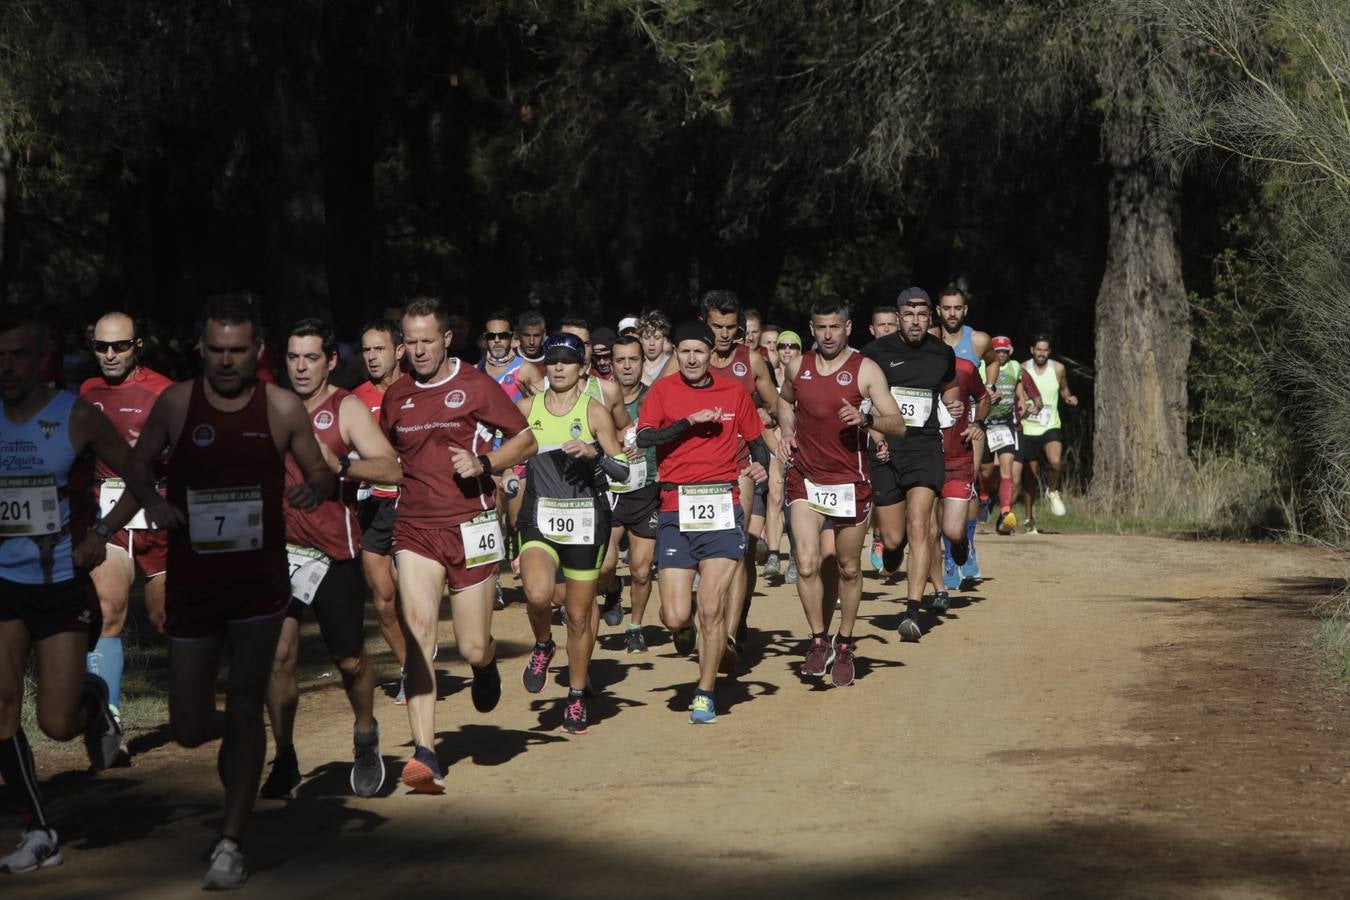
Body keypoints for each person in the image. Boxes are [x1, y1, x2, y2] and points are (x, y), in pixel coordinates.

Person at [99, 294, 333, 888]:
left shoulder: (280, 407)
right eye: (215, 350)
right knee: (188, 724)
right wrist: (130, 514)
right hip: (194, 582)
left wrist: (315, 489)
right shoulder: (177, 403)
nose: (225, 361)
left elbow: (322, 469)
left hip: (258, 583)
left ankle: (231, 839)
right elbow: (138, 467)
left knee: (249, 693)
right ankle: (249, 736)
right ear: (201, 349)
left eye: (237, 351)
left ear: (256, 351)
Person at [0, 306, 168, 875]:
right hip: (4, 582)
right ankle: (39, 829)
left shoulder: (76, 415)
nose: (7, 367)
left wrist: (100, 532)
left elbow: (140, 478)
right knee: (1, 708)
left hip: (60, 585)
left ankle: (93, 699)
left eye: (19, 354)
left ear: (42, 357)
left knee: (56, 722)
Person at [382, 296, 537, 794]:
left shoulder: (474, 384)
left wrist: (486, 464)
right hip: (415, 529)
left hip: (470, 526)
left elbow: (525, 439)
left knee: (470, 644)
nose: (419, 349)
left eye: (428, 339)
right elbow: (384, 455)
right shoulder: (397, 395)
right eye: (411, 341)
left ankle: (485, 665)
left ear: (447, 338)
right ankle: (426, 752)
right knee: (420, 632)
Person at [259, 319, 403, 800]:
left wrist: (340, 463)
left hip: (334, 555)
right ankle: (285, 756)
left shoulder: (347, 408)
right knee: (278, 657)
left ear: (331, 361)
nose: (301, 367)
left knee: (350, 661)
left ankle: (365, 735)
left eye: (311, 358)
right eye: (294, 358)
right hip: (279, 553)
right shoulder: (270, 407)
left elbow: (392, 468)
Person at [638, 320, 769, 723]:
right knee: (676, 615)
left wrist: (761, 467)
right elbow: (644, 438)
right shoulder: (663, 391)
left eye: (700, 351)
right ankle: (683, 632)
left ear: (712, 354)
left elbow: (757, 441)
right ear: (675, 353)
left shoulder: (733, 392)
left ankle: (705, 691)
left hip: (722, 507)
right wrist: (687, 423)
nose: (692, 358)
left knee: (711, 607)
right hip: (676, 508)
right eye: (685, 351)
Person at [775, 298, 905, 687]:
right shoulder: (798, 366)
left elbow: (897, 424)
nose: (828, 335)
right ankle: (818, 639)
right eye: (820, 327)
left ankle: (845, 642)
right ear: (811, 329)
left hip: (850, 481)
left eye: (835, 327)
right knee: (807, 561)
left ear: (848, 328)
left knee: (849, 567)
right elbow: (785, 400)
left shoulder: (865, 370)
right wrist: (786, 433)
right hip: (806, 478)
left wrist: (866, 419)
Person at [516, 334, 628, 734]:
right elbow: (507, 457)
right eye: (552, 361)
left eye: (567, 361)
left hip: (585, 521)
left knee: (579, 616)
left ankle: (577, 696)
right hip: (539, 517)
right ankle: (544, 643)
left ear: (583, 368)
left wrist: (595, 454)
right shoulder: (526, 409)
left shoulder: (594, 411)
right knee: (538, 593)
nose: (559, 367)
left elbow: (624, 471)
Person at [659, 292, 778, 669]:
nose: (725, 335)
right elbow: (656, 407)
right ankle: (695, 616)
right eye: (717, 327)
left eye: (731, 328)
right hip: (689, 474)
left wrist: (775, 426)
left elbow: (775, 403)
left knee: (740, 547)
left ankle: (729, 628)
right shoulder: (681, 362)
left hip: (738, 463)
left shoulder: (751, 360)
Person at [78, 313, 174, 763]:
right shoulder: (85, 393)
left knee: (166, 621)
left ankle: (198, 698)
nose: (110, 355)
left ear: (138, 344)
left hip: (157, 520)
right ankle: (108, 725)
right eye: (101, 347)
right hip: (110, 519)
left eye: (119, 346)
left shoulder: (165, 391)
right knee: (109, 612)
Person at [861, 288, 962, 641]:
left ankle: (912, 610)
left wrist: (954, 405)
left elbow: (949, 387)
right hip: (887, 449)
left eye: (921, 315)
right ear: (899, 317)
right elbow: (862, 404)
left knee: (920, 524)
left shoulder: (942, 354)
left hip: (924, 449)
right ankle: (891, 556)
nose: (915, 321)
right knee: (893, 538)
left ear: (929, 317)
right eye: (908, 314)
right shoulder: (874, 354)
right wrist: (877, 438)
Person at [352, 319, 408, 702]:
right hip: (372, 507)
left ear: (399, 351)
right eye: (366, 350)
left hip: (414, 507)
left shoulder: (417, 391)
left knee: (412, 593)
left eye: (379, 349)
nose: (372, 357)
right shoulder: (354, 400)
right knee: (383, 602)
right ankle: (413, 669)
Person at [598, 334, 660, 653]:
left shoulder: (656, 398)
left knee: (641, 568)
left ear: (642, 362)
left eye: (633, 359)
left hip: (647, 490)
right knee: (605, 565)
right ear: (611, 362)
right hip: (609, 492)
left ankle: (635, 626)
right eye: (620, 359)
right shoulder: (598, 398)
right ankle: (611, 591)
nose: (626, 366)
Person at [935, 286, 991, 583]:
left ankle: (966, 547)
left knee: (967, 480)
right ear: (938, 310)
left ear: (965, 310)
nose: (952, 313)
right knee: (940, 494)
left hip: (969, 422)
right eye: (947, 308)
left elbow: (993, 362)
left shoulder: (978, 340)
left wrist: (989, 387)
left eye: (957, 308)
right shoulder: (930, 339)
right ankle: (949, 560)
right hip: (937, 426)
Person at [931, 357, 989, 610]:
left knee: (953, 529)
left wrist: (976, 423)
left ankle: (963, 542)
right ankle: (940, 586)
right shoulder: (906, 366)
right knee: (928, 530)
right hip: (923, 458)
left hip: (958, 457)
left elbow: (984, 397)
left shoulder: (965, 367)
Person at [980, 336, 1041, 536]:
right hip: (984, 424)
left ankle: (1005, 511)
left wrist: (1023, 403)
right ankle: (984, 495)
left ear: (1010, 351)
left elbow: (1020, 391)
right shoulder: (983, 366)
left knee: (1007, 470)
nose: (1001, 355)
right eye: (997, 351)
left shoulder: (1015, 367)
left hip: (1006, 425)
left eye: (1004, 351)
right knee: (986, 472)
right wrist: (986, 396)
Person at [1021, 334, 1078, 531]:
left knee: (1055, 461)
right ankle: (1029, 519)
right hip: (1028, 427)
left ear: (1049, 352)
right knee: (1031, 476)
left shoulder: (1058, 368)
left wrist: (1069, 398)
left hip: (1050, 424)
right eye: (1039, 350)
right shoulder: (1023, 368)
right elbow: (1018, 393)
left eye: (1045, 350)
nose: (1042, 353)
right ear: (1032, 350)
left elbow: (1064, 389)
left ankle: (1052, 490)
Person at [763, 329, 801, 581]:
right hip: (773, 443)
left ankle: (797, 557)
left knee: (796, 500)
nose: (787, 350)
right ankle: (773, 554)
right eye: (782, 346)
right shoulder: (766, 377)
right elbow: (762, 417)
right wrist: (776, 446)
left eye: (792, 346)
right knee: (775, 494)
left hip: (801, 442)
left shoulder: (803, 375)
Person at [638, 311, 672, 385]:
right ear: (640, 339)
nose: (652, 343)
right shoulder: (634, 364)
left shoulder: (672, 364)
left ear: (664, 340)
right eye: (646, 338)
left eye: (657, 338)